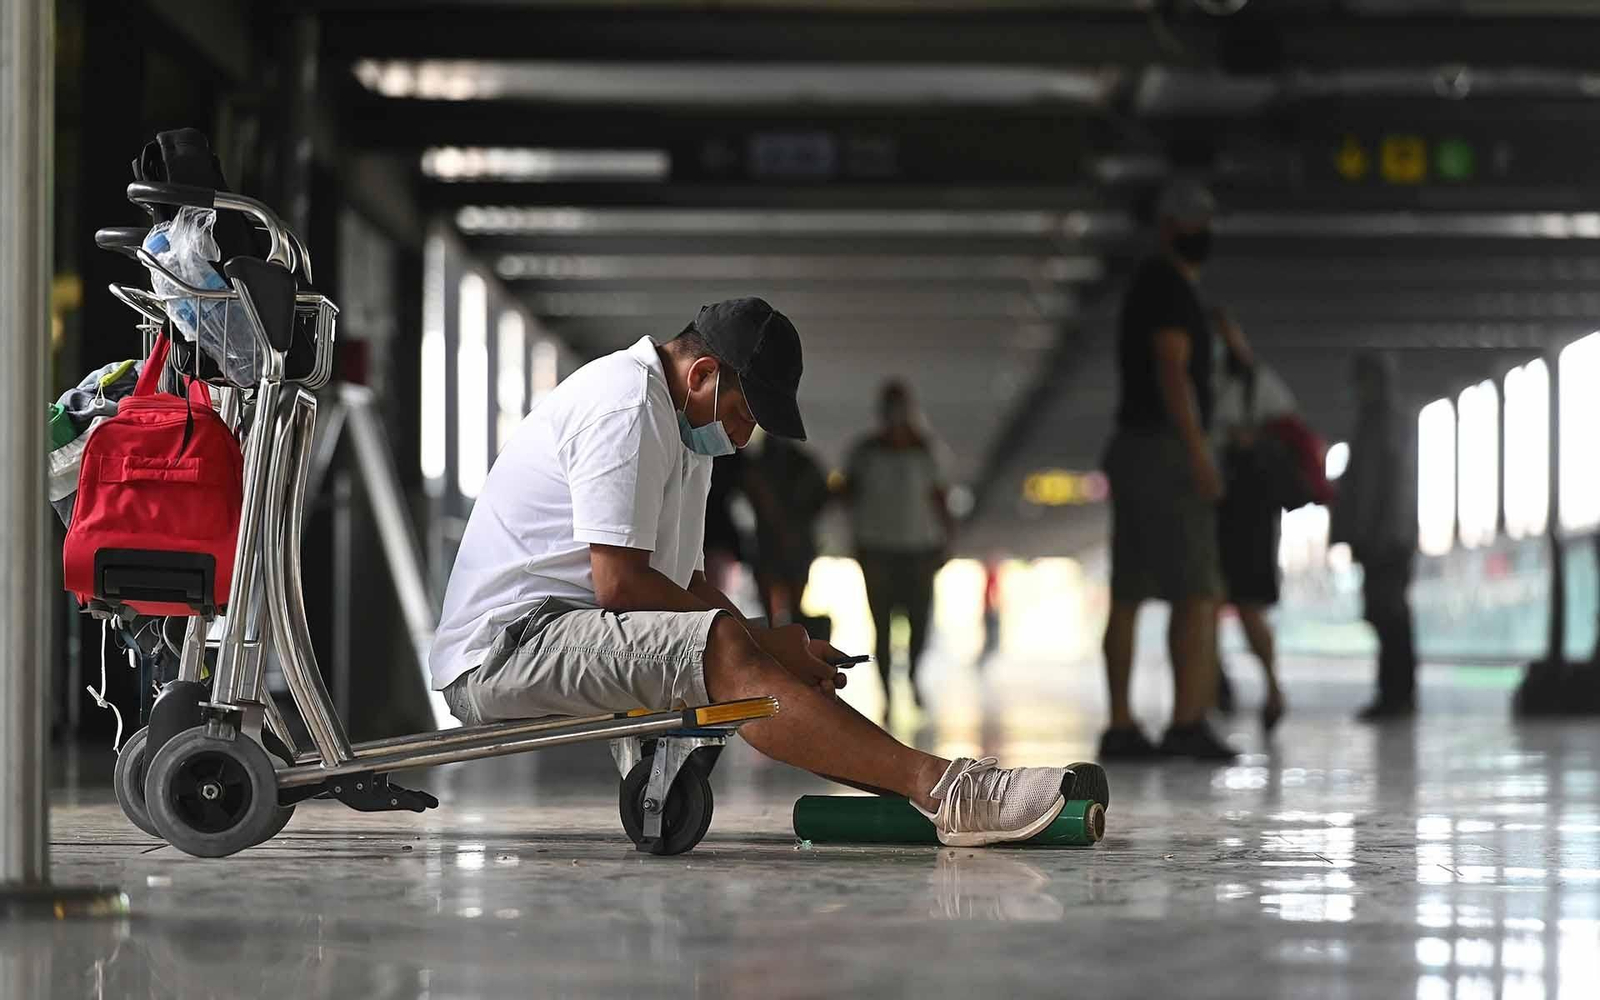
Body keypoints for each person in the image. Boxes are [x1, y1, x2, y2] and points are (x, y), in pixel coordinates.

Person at [428, 297, 1106, 846]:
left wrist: (771, 642)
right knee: (729, 644)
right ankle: (948, 790)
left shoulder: (681, 430)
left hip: (568, 631)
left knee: (742, 642)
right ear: (703, 374)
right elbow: (622, 586)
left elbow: (685, 586)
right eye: (744, 415)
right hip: (509, 648)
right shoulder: (625, 405)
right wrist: (752, 641)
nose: (744, 438)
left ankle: (941, 791)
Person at [1099, 179, 1238, 761]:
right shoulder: (1166, 285)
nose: (1200, 231)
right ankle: (1186, 721)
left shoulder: (1160, 285)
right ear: (1167, 227)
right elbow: (1173, 370)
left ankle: (1123, 725)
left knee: (1131, 591)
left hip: (1136, 449)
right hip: (1165, 451)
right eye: (1190, 221)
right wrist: (1199, 453)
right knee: (1198, 591)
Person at [842, 380, 954, 721]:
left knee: (920, 625)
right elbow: (849, 497)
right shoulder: (864, 453)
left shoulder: (927, 451)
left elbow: (940, 500)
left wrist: (946, 542)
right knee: (883, 628)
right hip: (878, 552)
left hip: (919, 551)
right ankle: (888, 694)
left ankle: (913, 674)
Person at [1210, 307, 1292, 732]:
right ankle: (1214, 685)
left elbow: (1287, 432)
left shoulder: (1254, 384)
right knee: (1211, 602)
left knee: (1241, 603)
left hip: (1244, 507)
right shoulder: (1211, 385)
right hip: (1220, 505)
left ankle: (1269, 687)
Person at [1329, 351, 1419, 721]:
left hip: (1386, 539)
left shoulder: (1381, 423)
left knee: (1390, 616)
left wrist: (1370, 533)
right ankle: (1395, 694)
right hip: (1387, 536)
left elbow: (1381, 486)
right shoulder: (1383, 422)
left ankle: (1396, 696)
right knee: (1388, 616)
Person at [741, 431, 829, 627]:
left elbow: (822, 498)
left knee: (790, 611)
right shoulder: (761, 464)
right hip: (771, 544)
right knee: (775, 613)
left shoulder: (801, 464)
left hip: (790, 544)